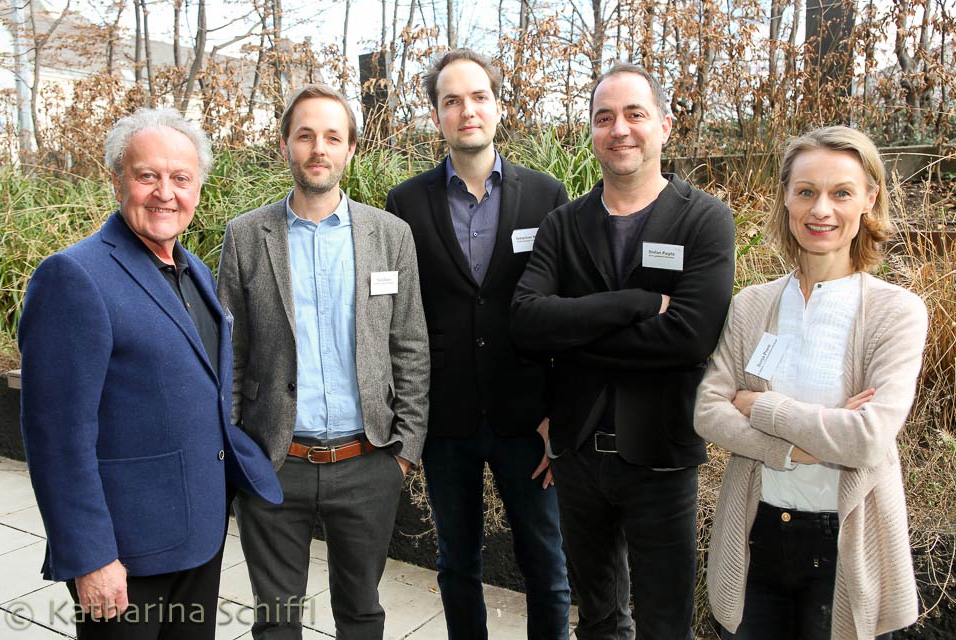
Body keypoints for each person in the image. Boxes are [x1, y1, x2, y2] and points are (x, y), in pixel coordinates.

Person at [18, 107, 283, 640]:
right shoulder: (73, 276)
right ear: (118, 181)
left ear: (198, 189)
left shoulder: (193, 270)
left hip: (197, 538)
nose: (165, 193)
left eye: (181, 178)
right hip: (126, 553)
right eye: (147, 176)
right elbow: (57, 438)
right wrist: (91, 557)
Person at [510, 63, 736, 639]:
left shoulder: (704, 219)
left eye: (635, 114)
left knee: (665, 624)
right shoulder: (563, 224)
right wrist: (635, 303)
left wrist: (574, 334)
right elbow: (527, 322)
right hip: (577, 455)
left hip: (661, 454)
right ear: (591, 130)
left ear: (664, 125)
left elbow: (689, 337)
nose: (620, 129)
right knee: (599, 620)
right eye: (604, 117)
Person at [694, 125, 926, 640]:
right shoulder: (752, 305)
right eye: (806, 191)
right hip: (756, 538)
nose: (821, 210)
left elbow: (866, 439)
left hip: (845, 547)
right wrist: (799, 448)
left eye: (841, 193)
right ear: (786, 197)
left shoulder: (896, 312)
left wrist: (761, 407)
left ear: (869, 198)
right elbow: (708, 411)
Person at [216, 83, 429, 639]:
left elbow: (409, 344)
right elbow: (229, 353)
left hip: (368, 462)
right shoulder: (245, 235)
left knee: (361, 615)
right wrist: (237, 451)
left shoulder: (390, 235)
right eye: (305, 135)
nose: (319, 149)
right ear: (285, 144)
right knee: (276, 621)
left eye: (333, 137)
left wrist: (404, 452)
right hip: (274, 462)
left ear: (350, 149)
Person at [385, 48, 571, 639]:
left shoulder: (546, 195)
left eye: (478, 97)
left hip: (528, 418)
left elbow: (564, 311)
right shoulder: (405, 203)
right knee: (456, 563)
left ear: (498, 105)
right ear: (436, 114)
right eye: (452, 101)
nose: (467, 110)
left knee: (546, 565)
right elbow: (400, 316)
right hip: (447, 419)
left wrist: (560, 414)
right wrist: (407, 417)